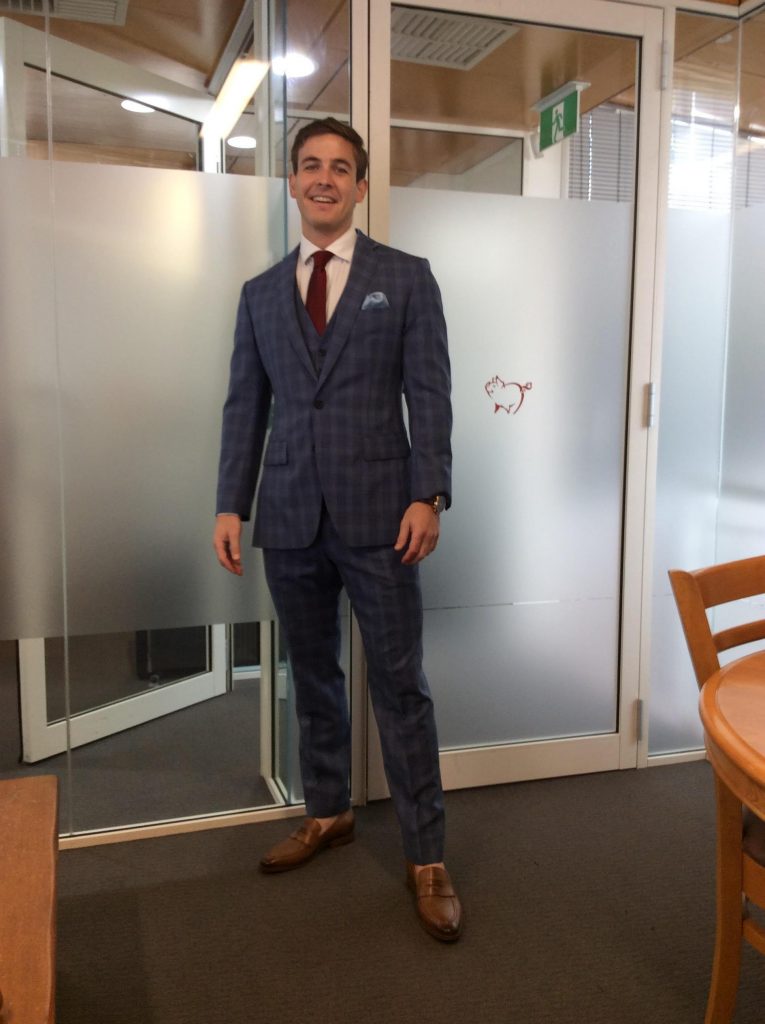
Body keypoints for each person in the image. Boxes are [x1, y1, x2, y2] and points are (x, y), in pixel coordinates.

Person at [213, 118, 461, 942]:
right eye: (311, 165)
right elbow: (245, 406)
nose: (324, 178)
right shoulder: (259, 293)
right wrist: (230, 503)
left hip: (382, 516)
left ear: (359, 185)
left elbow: (429, 394)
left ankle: (426, 856)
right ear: (292, 182)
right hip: (288, 514)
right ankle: (327, 811)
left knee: (400, 685)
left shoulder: (406, 277)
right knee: (311, 674)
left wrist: (428, 493)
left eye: (340, 167)